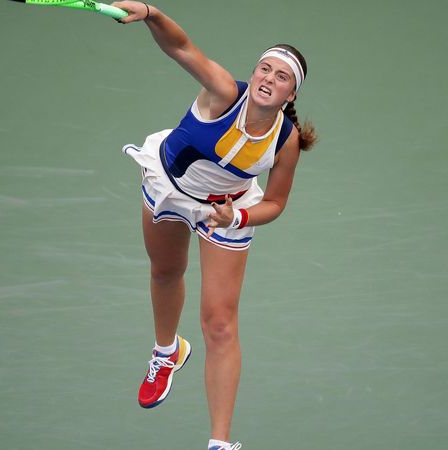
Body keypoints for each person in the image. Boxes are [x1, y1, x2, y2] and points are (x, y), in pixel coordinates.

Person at [113, 2, 317, 449]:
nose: (268, 79)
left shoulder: (288, 140)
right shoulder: (225, 91)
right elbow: (181, 48)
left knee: (220, 325)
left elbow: (277, 202)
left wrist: (237, 215)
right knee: (165, 272)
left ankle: (220, 443)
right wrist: (150, 13)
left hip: (226, 209)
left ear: (291, 96)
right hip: (168, 184)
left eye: (282, 77)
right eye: (265, 69)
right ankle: (167, 352)